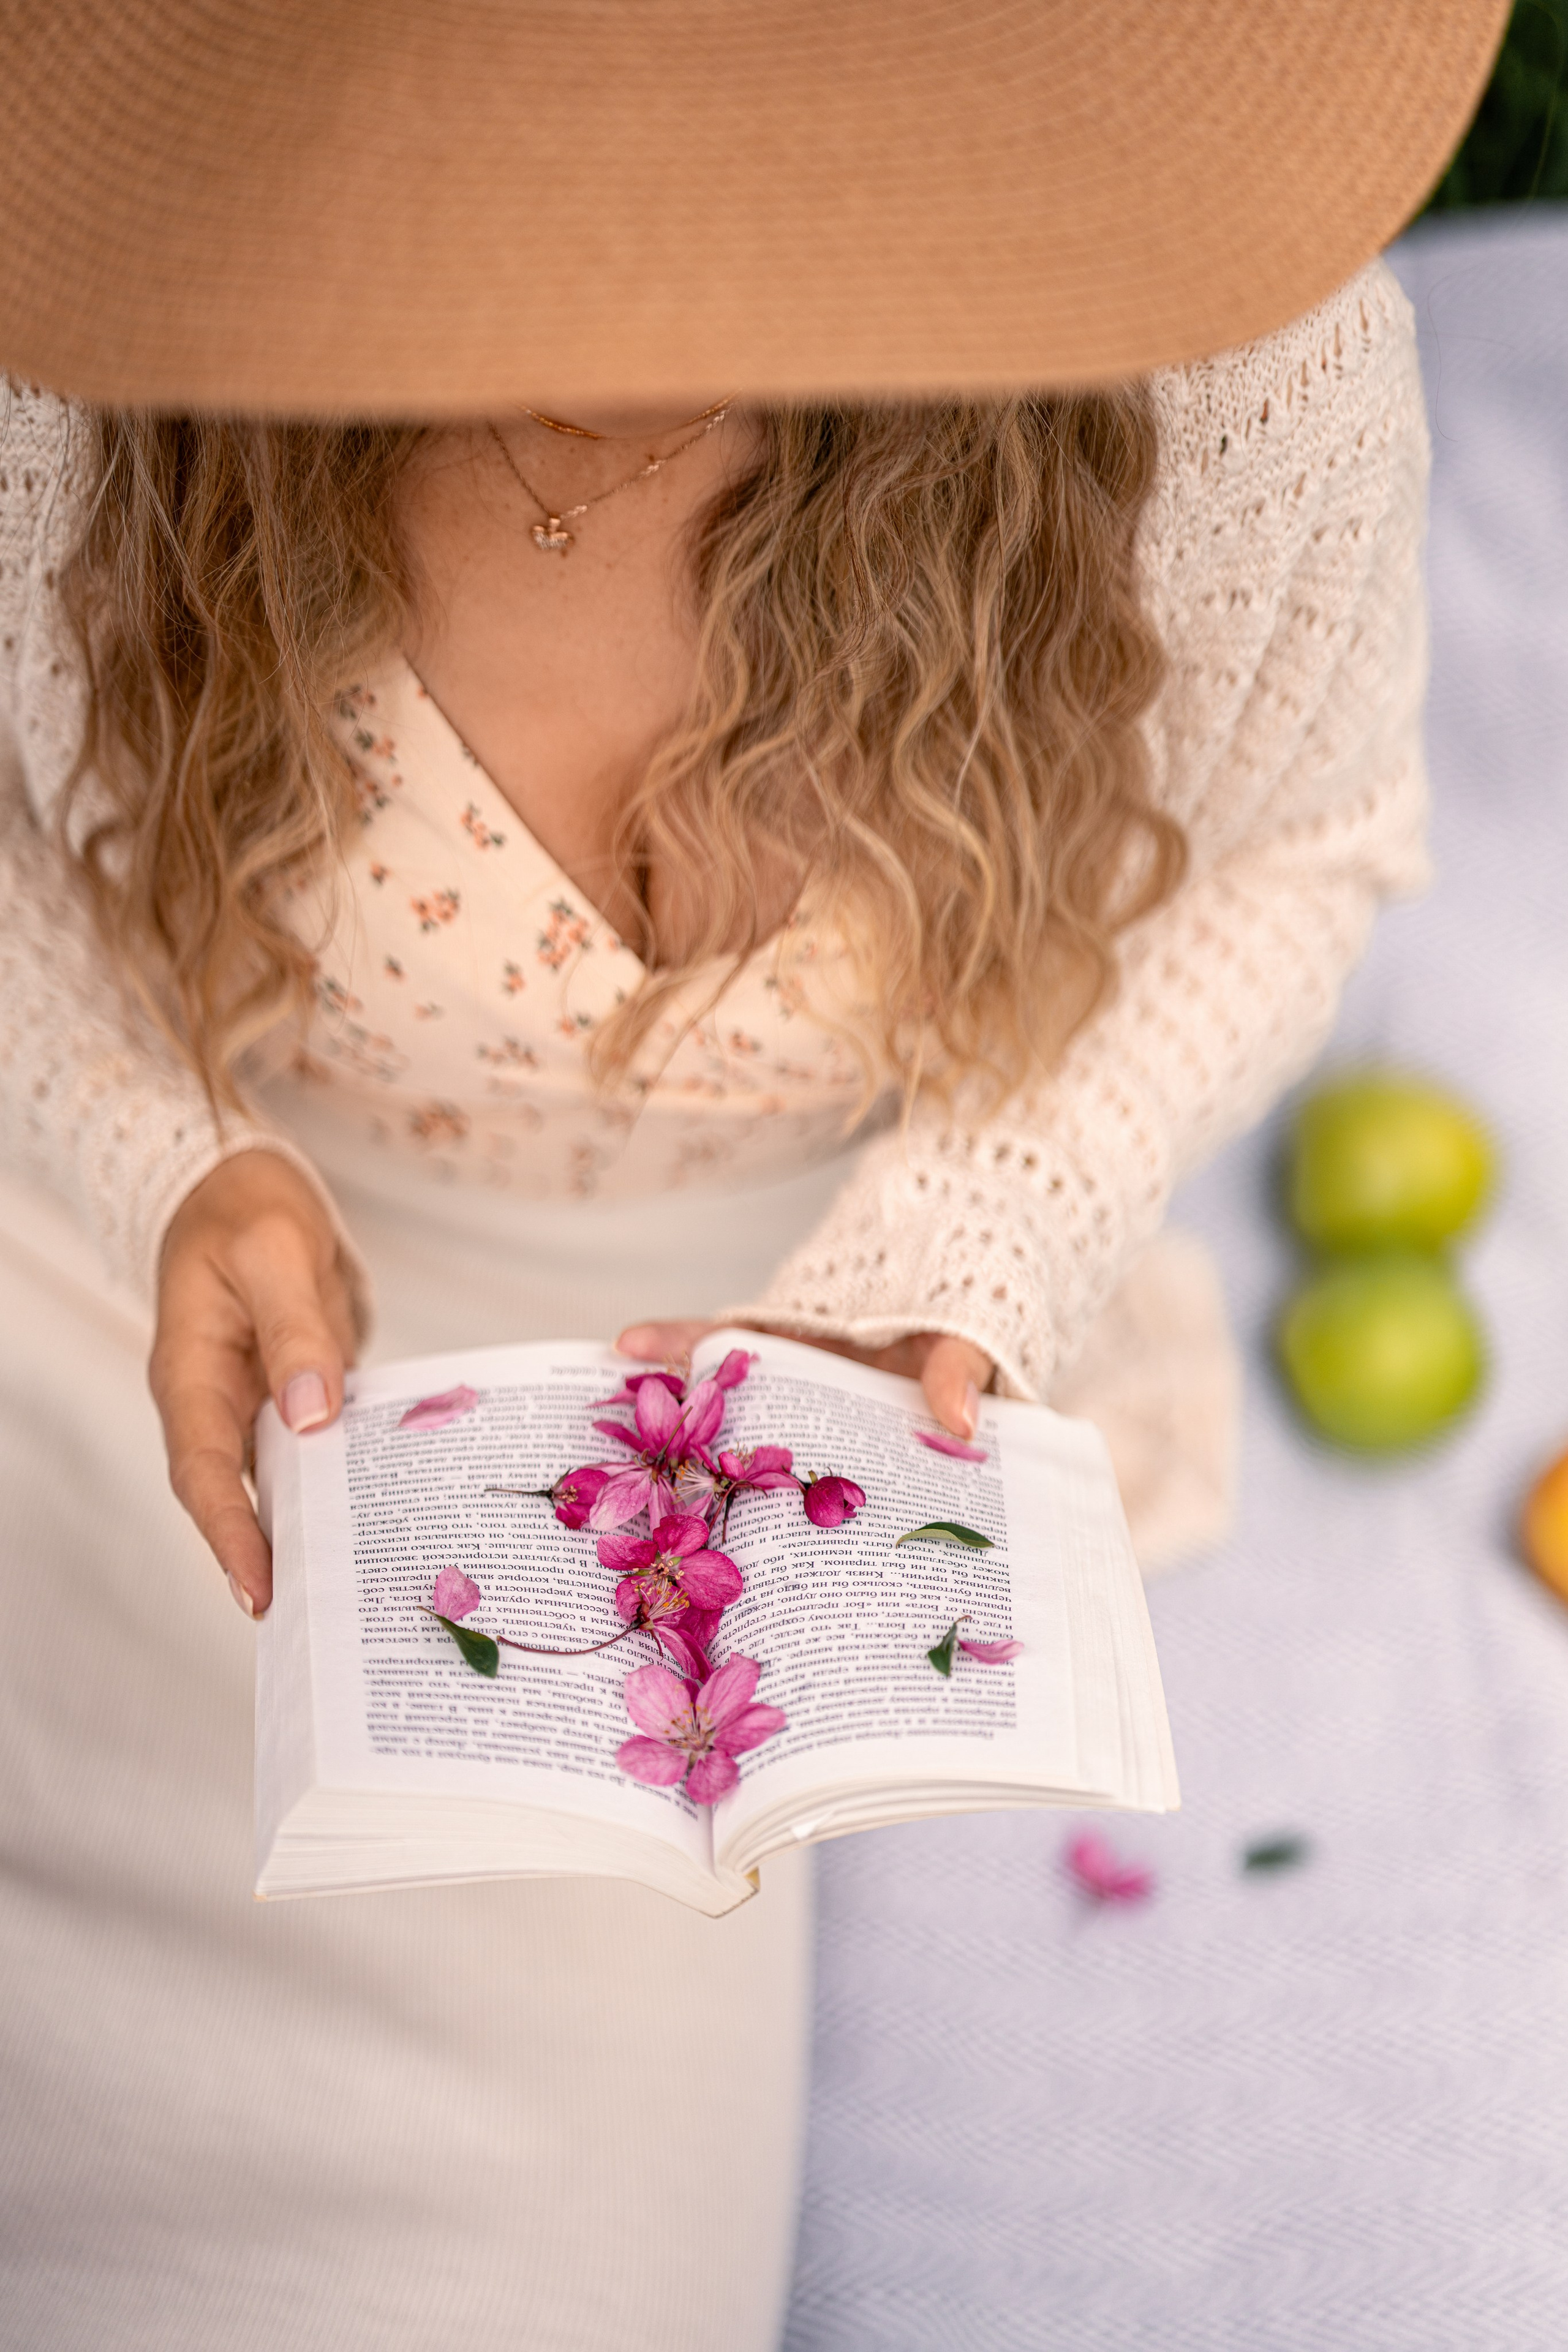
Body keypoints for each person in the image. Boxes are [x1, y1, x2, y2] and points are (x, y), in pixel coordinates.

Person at [0, 1, 1507, 2345]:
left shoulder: (1230, 375)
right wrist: (156, 1155)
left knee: (520, 2279)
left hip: (801, 1300)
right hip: (147, 1277)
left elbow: (1306, 847)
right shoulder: (86, 345)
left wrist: (976, 1233)